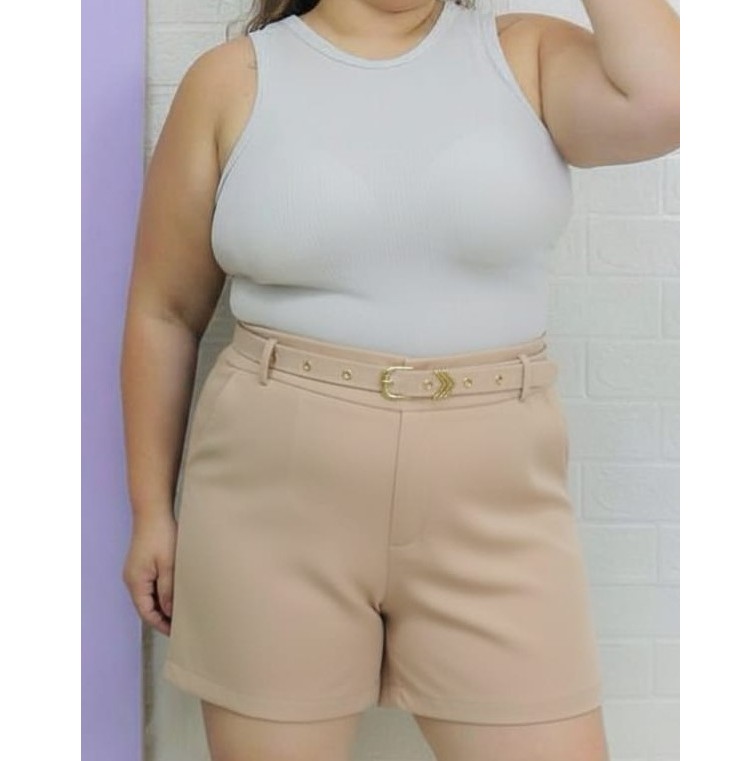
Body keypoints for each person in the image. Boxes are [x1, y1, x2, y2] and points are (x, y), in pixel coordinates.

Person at [120, 0, 679, 759]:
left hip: (497, 506)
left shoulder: (526, 54)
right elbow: (164, 311)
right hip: (269, 503)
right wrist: (151, 511)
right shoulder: (232, 78)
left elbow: (669, 103)